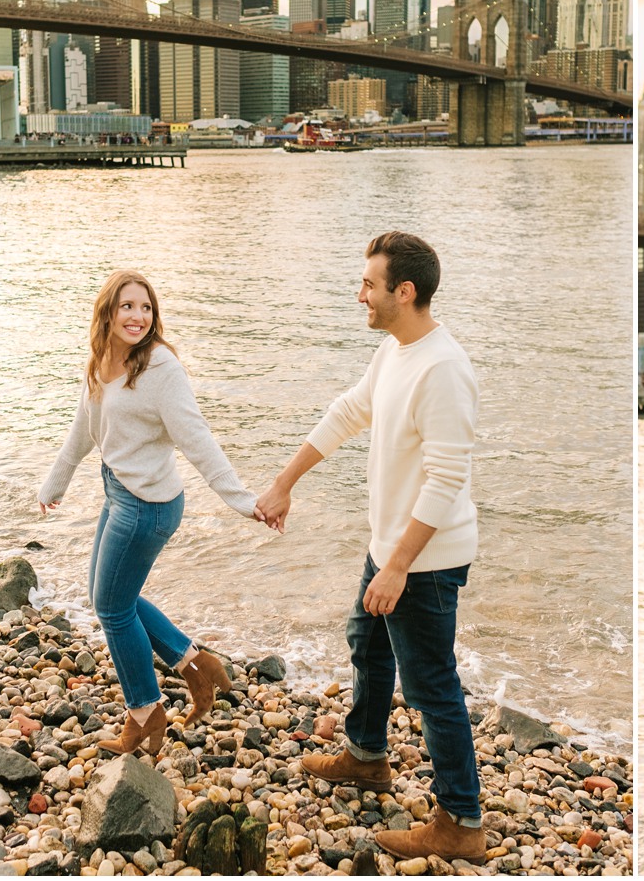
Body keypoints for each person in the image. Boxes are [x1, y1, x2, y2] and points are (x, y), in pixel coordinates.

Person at [256, 231, 486, 864]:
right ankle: (365, 758)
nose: (360, 294)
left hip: (424, 560)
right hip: (390, 547)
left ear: (403, 291)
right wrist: (284, 482)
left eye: (369, 284)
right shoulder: (395, 351)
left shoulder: (443, 369)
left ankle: (461, 820)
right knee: (368, 645)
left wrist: (399, 567)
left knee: (432, 685)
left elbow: (446, 481)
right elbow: (350, 410)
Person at [39, 270, 256, 755]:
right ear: (109, 313)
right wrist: (55, 483)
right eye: (128, 307)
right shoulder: (101, 362)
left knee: (113, 607)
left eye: (146, 308)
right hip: (118, 492)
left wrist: (242, 500)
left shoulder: (160, 368)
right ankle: (199, 667)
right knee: (114, 599)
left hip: (148, 507)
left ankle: (145, 712)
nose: (138, 317)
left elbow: (196, 438)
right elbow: (82, 429)